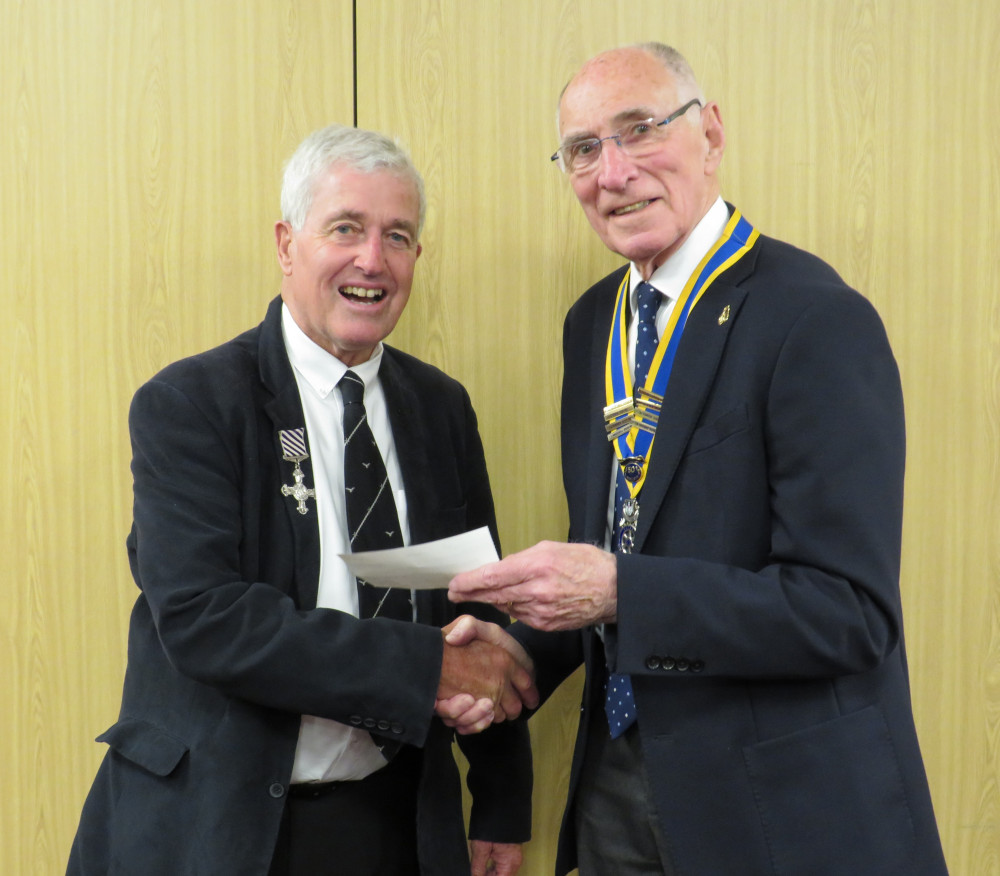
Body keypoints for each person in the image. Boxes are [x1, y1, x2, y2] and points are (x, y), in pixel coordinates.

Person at [446, 43, 948, 875]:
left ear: (710, 134)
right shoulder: (591, 324)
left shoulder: (815, 319)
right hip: (616, 787)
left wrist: (615, 591)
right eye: (582, 150)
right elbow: (620, 541)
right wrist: (522, 648)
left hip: (780, 805)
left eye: (640, 130)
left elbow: (848, 610)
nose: (613, 172)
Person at [67, 124, 537, 876]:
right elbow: (206, 620)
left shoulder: (440, 407)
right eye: (345, 228)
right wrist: (422, 671)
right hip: (214, 827)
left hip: (395, 823)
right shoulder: (191, 403)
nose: (371, 261)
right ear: (288, 245)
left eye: (399, 236)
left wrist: (502, 804)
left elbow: (475, 607)